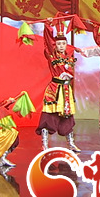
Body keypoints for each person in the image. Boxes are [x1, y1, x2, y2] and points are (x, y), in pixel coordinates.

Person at [36, 18, 81, 152]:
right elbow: (48, 41)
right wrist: (48, 26)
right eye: (59, 43)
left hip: (66, 90)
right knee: (49, 116)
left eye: (63, 43)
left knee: (67, 117)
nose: (61, 46)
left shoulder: (69, 58)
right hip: (55, 90)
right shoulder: (52, 55)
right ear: (55, 45)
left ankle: (71, 143)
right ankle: (45, 144)